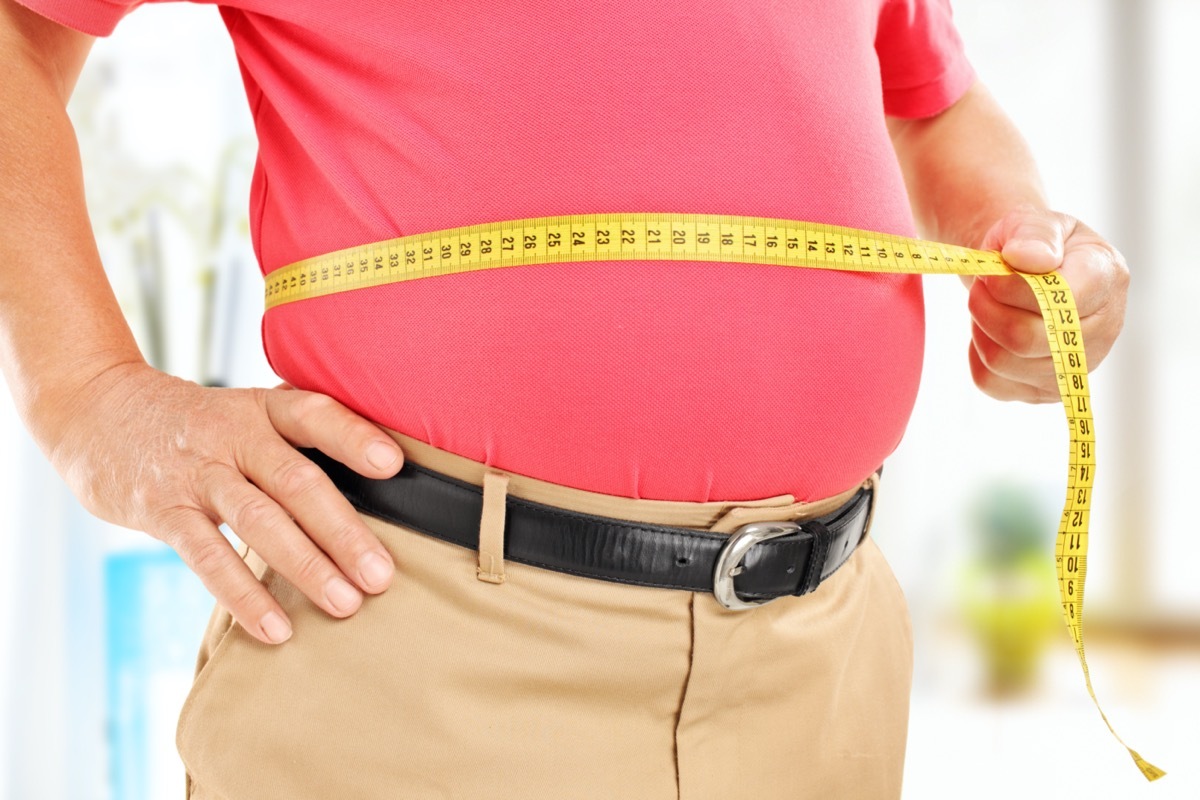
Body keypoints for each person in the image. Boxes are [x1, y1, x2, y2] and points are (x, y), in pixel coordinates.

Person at [0, 0, 1130, 797]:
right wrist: (86, 392)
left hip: (821, 656)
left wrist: (1023, 236)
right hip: (422, 638)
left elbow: (933, 103)